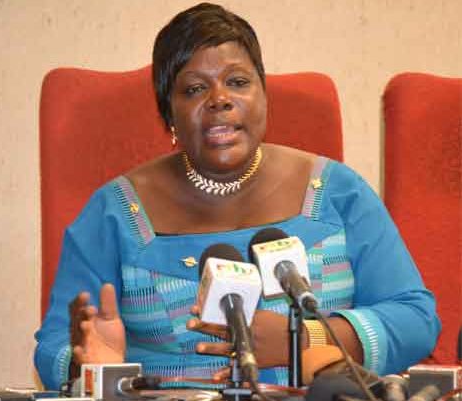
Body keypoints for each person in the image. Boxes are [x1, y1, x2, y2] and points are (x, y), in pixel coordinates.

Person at [34, 2, 440, 391]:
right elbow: (56, 347)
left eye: (238, 82)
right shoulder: (115, 213)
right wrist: (88, 366)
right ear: (168, 114)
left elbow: (415, 320)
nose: (219, 99)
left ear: (263, 95)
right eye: (194, 88)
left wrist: (305, 338)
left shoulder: (337, 191)